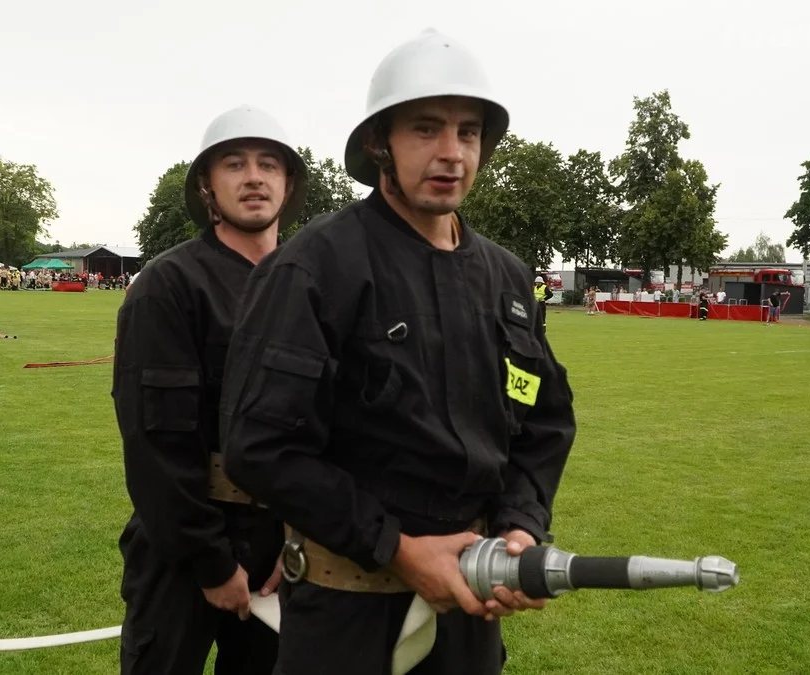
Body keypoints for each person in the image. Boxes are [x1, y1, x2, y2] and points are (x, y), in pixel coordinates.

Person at [219, 29, 577, 675]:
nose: (450, 153)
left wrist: (521, 526)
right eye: (425, 129)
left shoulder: (507, 278)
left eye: (468, 132)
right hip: (345, 613)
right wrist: (397, 546)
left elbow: (544, 420)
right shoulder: (314, 267)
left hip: (471, 605)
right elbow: (261, 446)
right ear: (380, 141)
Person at [112, 105, 307, 675]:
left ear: (288, 183)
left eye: (269, 164)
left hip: (283, 547)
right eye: (235, 163)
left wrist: (300, 532)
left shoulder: (311, 285)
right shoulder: (168, 286)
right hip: (183, 544)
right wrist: (212, 563)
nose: (254, 177)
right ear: (206, 183)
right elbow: (156, 444)